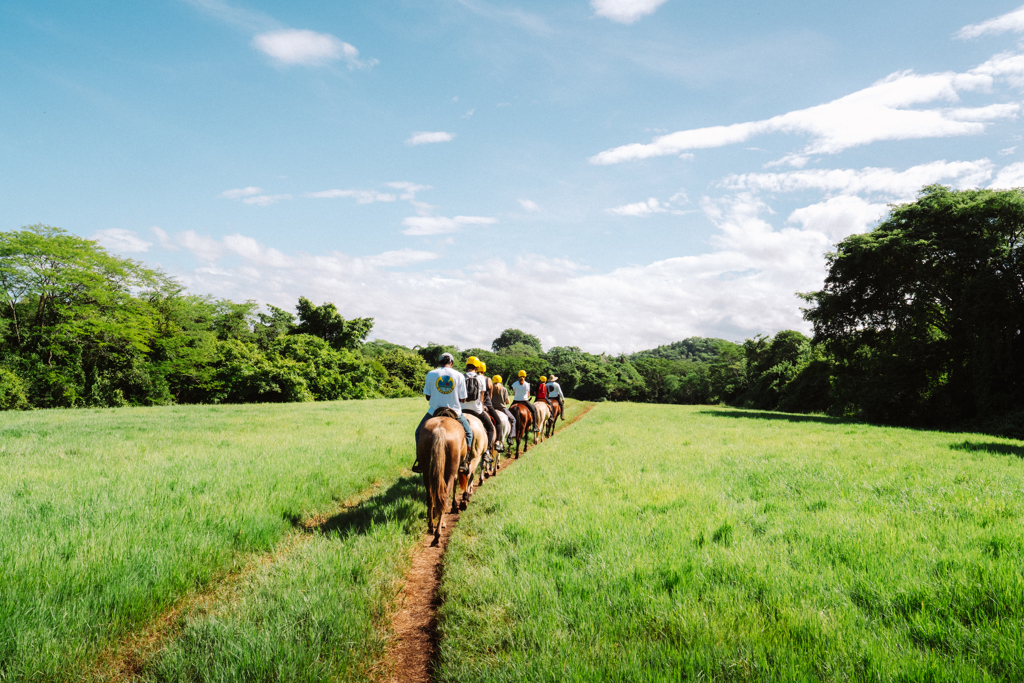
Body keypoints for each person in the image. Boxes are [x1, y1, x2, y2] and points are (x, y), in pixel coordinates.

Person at [412, 352, 472, 474]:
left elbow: (428, 397)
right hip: (455, 412)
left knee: (418, 432)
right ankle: (464, 461)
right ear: (452, 363)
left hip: (434, 412)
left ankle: (420, 460)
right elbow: (463, 399)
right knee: (469, 433)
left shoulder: (431, 374)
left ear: (439, 362)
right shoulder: (459, 375)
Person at [460, 357, 496, 462]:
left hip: (461, 410)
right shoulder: (481, 379)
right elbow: (481, 397)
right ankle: (487, 451)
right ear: (477, 367)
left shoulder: (461, 377)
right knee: (490, 428)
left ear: (467, 365)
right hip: (477, 410)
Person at [478, 360, 504, 452]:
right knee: (498, 422)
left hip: (471, 406)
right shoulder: (488, 380)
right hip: (487, 405)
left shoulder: (471, 378)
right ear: (484, 370)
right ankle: (497, 442)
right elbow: (490, 396)